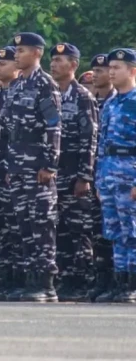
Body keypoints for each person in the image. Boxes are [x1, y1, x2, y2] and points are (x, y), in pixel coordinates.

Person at [4, 32, 62, 302]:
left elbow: (53, 126)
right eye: (16, 51)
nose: (17, 55)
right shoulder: (16, 85)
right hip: (17, 164)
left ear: (37, 53)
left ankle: (46, 283)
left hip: (38, 164)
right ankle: (30, 281)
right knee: (24, 224)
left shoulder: (44, 84)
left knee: (42, 224)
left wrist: (50, 164)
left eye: (22, 51)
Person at [46, 43, 99, 301]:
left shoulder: (82, 97)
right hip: (55, 174)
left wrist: (85, 176)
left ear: (74, 65)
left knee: (79, 231)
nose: (54, 64)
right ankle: (66, 280)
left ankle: (82, 281)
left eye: (60, 60)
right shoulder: (51, 93)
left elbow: (90, 139)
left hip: (74, 173)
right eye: (53, 59)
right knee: (61, 231)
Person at [95, 48, 136, 304]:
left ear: (132, 71)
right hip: (110, 173)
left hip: (130, 173)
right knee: (115, 232)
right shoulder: (110, 103)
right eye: (110, 67)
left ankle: (132, 284)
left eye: (117, 68)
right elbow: (102, 144)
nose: (111, 71)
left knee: (132, 231)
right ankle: (121, 282)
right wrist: (99, 179)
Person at [0, 44, 23, 299]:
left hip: (17, 170)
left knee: (18, 227)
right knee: (0, 227)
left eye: (4, 63)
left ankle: (21, 281)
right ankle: (5, 280)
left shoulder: (22, 92)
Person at [88, 53, 117, 301]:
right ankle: (102, 279)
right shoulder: (93, 101)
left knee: (120, 231)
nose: (97, 74)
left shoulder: (120, 101)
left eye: (102, 69)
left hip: (120, 174)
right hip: (100, 174)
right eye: (94, 70)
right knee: (99, 231)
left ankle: (119, 281)